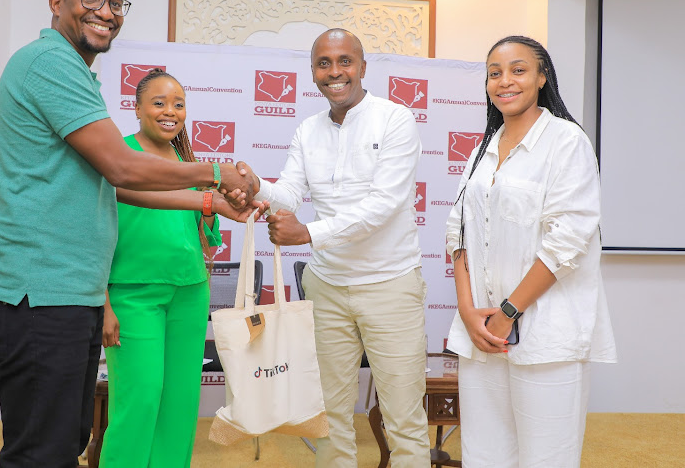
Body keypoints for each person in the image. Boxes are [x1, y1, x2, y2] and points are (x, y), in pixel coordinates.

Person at [0, 0, 258, 468]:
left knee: (67, 441)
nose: (106, 11)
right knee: (43, 451)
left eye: (116, 2)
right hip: (39, 292)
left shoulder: (74, 72)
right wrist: (216, 174)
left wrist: (212, 202)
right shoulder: (51, 64)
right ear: (57, 4)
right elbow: (124, 169)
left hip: (65, 293)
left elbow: (113, 189)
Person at [258, 29, 431, 467]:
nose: (335, 72)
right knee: (329, 417)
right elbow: (289, 192)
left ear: (362, 67)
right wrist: (252, 185)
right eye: (323, 63)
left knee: (404, 420)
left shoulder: (395, 119)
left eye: (344, 61)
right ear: (313, 71)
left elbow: (382, 207)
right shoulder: (307, 129)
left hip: (389, 286)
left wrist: (307, 234)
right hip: (327, 287)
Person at [446, 36, 617, 467]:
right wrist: (469, 311)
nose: (505, 81)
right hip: (483, 331)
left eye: (518, 70)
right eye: (494, 73)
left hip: (546, 333)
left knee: (546, 458)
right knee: (483, 455)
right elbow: (458, 231)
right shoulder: (482, 149)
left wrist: (508, 312)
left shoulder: (566, 142)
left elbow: (568, 242)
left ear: (542, 77)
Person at [98, 68, 218, 467]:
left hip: (189, 293)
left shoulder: (188, 160)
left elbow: (205, 233)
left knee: (179, 406)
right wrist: (104, 303)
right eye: (159, 103)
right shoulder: (119, 157)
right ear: (136, 108)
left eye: (179, 104)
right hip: (132, 297)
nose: (171, 112)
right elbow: (92, 232)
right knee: (140, 400)